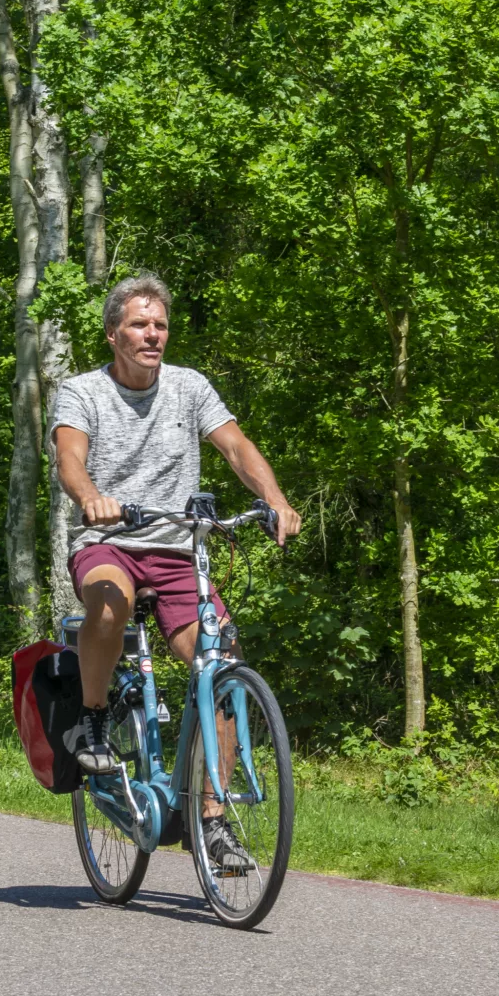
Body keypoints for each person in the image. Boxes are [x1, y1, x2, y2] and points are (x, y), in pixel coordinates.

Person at [50, 272, 301, 863]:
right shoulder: (80, 391)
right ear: (114, 334)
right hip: (108, 541)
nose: (152, 334)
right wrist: (91, 496)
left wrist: (277, 501)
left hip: (177, 551)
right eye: (140, 324)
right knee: (108, 602)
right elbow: (69, 458)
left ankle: (211, 818)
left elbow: (236, 447)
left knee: (222, 663)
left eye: (160, 324)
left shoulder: (189, 388)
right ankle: (91, 721)